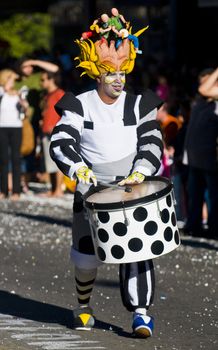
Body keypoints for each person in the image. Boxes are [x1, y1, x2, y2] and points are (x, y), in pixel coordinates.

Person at [49, 10, 163, 338]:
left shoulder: (140, 104)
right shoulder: (79, 104)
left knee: (138, 250)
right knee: (85, 257)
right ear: (96, 72)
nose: (117, 78)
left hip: (131, 189)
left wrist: (141, 172)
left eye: (121, 71)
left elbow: (152, 140)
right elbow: (61, 141)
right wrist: (78, 168)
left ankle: (141, 313)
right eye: (109, 71)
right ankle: (83, 305)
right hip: (90, 189)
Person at [184, 68, 218, 239]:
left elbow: (204, 89)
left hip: (211, 160)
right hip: (194, 159)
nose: (202, 85)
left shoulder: (215, 101)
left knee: (213, 198)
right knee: (195, 195)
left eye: (208, 80)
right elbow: (203, 90)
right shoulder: (201, 101)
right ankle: (193, 226)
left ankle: (214, 229)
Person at [15, 58, 59, 188]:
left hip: (33, 121)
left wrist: (34, 62)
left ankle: (26, 182)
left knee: (30, 152)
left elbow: (55, 69)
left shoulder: (35, 78)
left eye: (31, 67)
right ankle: (15, 180)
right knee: (15, 152)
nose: (30, 69)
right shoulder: (14, 80)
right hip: (16, 122)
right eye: (25, 67)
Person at [0, 69, 30, 200]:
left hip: (16, 127)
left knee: (16, 159)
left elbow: (27, 112)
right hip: (2, 127)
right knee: (3, 160)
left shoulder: (19, 93)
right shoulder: (1, 92)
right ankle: (3, 190)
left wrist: (24, 104)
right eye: (11, 79)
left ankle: (16, 191)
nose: (13, 82)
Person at [39, 70, 65, 197]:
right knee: (49, 163)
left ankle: (58, 190)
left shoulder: (59, 93)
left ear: (51, 80)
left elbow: (67, 112)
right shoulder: (47, 95)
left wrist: (57, 126)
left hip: (56, 132)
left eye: (43, 80)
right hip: (45, 133)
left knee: (58, 161)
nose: (41, 83)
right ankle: (53, 189)